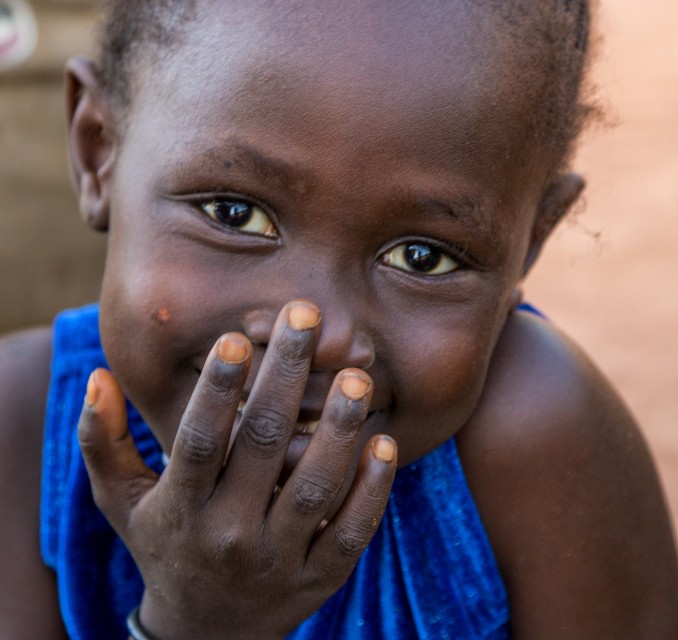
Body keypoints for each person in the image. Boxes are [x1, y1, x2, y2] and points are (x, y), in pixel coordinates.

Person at [1, 1, 676, 638]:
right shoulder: (21, 434)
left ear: (530, 243)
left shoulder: (538, 439)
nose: (313, 329)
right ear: (99, 153)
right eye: (234, 214)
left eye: (423, 256)